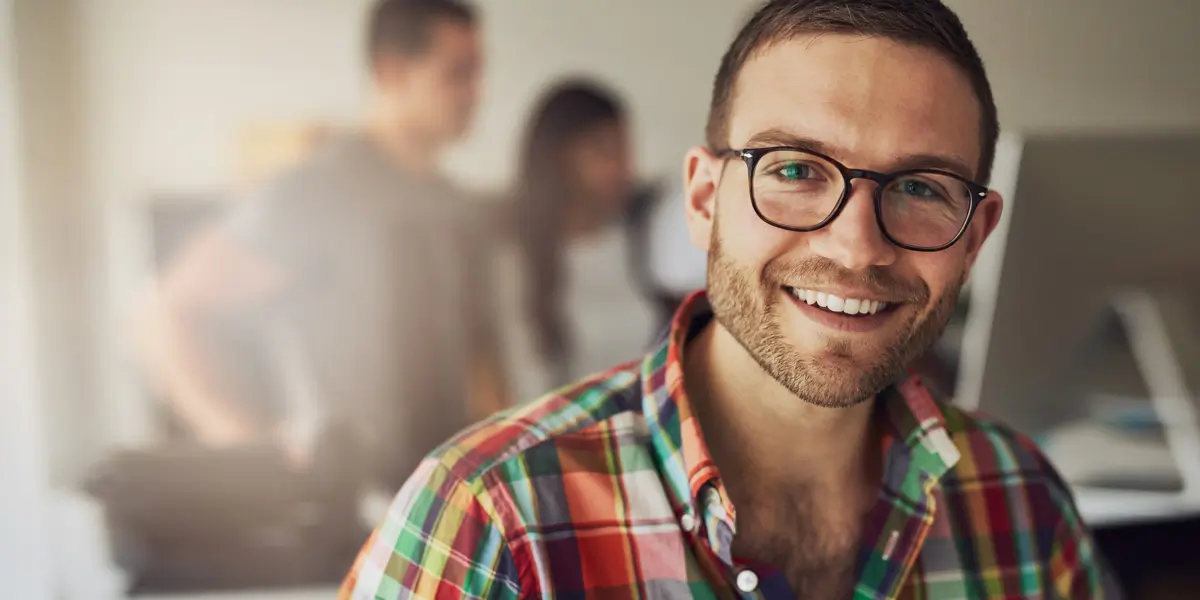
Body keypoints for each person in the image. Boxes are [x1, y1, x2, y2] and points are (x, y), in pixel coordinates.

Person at [339, 0, 1120, 598]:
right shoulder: (490, 520)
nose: (855, 247)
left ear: (975, 235)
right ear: (705, 198)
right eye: (794, 170)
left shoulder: (1020, 499)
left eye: (920, 187)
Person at [138, 0, 506, 491]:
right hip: (348, 509)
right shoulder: (316, 191)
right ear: (392, 71)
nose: (475, 94)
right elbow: (167, 313)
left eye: (478, 73)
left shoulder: (453, 205)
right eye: (458, 73)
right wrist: (252, 444)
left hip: (440, 502)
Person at [498, 80, 662, 400]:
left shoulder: (640, 237)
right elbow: (524, 383)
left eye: (626, 149)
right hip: (568, 439)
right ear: (561, 160)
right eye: (605, 151)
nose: (624, 167)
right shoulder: (518, 262)